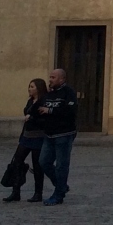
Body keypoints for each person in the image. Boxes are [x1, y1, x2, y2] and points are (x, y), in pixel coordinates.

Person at [36, 67, 78, 206]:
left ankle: (58, 194)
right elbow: (38, 108)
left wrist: (50, 110)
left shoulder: (69, 92)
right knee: (43, 162)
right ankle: (61, 185)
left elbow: (70, 111)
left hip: (64, 134)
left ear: (62, 79)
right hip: (49, 134)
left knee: (61, 165)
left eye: (53, 77)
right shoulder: (49, 94)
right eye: (50, 77)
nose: (50, 80)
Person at [4, 78, 47, 203]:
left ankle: (38, 193)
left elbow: (44, 120)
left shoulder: (44, 101)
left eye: (32, 87)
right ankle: (15, 191)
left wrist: (32, 118)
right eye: (29, 86)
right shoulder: (30, 101)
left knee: (37, 166)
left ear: (39, 88)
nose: (29, 89)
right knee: (17, 162)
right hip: (26, 136)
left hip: (38, 137)